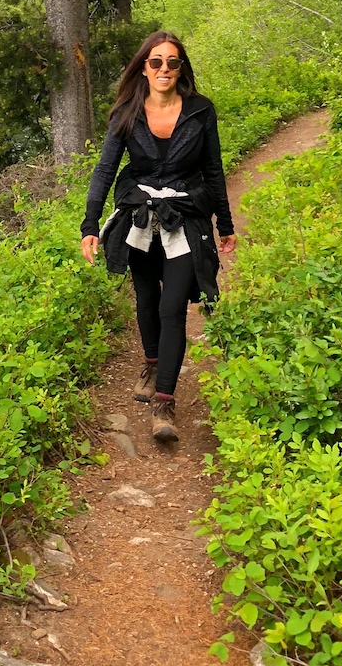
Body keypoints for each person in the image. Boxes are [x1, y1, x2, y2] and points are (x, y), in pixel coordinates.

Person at [80, 31, 236, 444]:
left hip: (186, 216)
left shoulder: (201, 112)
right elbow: (105, 169)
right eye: (156, 62)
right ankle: (151, 365)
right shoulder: (126, 112)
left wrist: (226, 223)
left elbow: (214, 169)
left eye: (172, 63)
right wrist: (91, 226)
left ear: (180, 68)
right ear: (143, 67)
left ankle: (164, 405)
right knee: (147, 298)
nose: (164, 69)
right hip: (139, 217)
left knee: (173, 308)